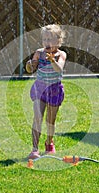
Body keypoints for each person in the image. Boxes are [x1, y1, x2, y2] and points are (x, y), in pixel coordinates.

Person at [25, 24, 67, 159]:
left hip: (54, 89)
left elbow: (59, 69)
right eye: (45, 39)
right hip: (40, 88)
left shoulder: (61, 54)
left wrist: (52, 60)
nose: (47, 43)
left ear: (58, 41)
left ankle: (49, 143)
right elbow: (30, 69)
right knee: (37, 117)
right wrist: (29, 65)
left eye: (51, 39)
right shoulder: (39, 53)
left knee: (50, 120)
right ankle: (34, 149)